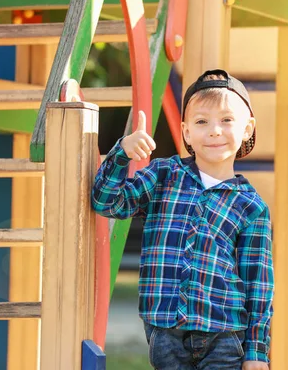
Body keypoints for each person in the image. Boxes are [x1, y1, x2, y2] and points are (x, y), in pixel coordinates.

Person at [92, 69, 273, 369]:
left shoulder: (251, 206)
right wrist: (122, 154)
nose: (214, 130)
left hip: (224, 334)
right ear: (187, 132)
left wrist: (256, 352)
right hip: (165, 331)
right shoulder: (163, 176)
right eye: (202, 122)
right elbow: (105, 202)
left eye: (226, 120)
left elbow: (259, 285)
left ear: (247, 128)